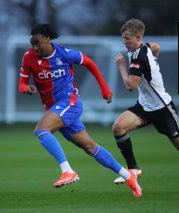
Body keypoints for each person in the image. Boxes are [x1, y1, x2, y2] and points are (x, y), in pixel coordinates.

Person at [19, 24, 142, 197]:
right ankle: (128, 176)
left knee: (41, 129)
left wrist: (105, 89)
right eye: (32, 43)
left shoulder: (64, 53)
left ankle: (67, 171)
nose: (35, 47)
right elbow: (22, 84)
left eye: (38, 43)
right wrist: (26, 89)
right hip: (56, 108)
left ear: (48, 39)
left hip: (69, 102)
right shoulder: (28, 57)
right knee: (91, 147)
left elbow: (90, 63)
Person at [112, 18, 179, 192]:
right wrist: (154, 65)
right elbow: (156, 47)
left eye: (127, 38)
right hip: (145, 105)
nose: (124, 42)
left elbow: (130, 86)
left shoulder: (138, 56)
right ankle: (133, 169)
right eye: (123, 38)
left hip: (162, 108)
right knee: (118, 127)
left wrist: (121, 67)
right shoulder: (142, 47)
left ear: (138, 37)